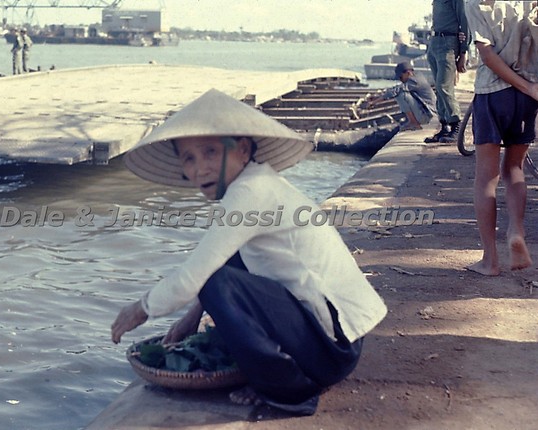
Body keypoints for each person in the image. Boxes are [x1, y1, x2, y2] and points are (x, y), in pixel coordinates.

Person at [111, 89, 388, 415]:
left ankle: (289, 388)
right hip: (336, 341)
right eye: (189, 158)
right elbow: (222, 261)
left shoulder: (250, 193)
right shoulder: (257, 184)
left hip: (332, 349)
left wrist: (139, 309)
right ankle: (282, 370)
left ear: (243, 151)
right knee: (227, 264)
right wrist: (192, 316)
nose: (199, 168)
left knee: (215, 283)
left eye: (210, 152)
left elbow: (192, 278)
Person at [464, 0, 538, 276]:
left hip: (493, 94)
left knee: (486, 177)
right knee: (515, 168)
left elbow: (487, 56)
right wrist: (530, 87)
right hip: (527, 97)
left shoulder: (474, 3)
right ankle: (516, 230)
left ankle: (490, 261)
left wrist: (525, 86)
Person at [425, 0, 471, 143]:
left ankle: (456, 126)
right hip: (435, 41)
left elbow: (464, 21)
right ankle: (444, 126)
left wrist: (464, 52)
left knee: (444, 86)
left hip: (448, 42)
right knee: (438, 88)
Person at [370, 61, 437, 131]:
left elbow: (396, 90)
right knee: (401, 92)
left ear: (408, 73)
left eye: (400, 77)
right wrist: (377, 97)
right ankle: (412, 121)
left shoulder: (414, 81)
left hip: (428, 116)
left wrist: (374, 102)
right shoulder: (417, 77)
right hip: (428, 114)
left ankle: (414, 123)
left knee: (401, 95)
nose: (400, 80)